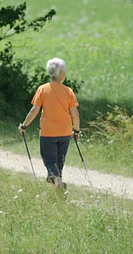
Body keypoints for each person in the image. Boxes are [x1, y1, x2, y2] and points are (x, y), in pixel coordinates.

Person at [18, 58, 81, 188]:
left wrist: (24, 125)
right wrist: (76, 131)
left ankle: (55, 179)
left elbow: (34, 110)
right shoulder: (68, 91)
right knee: (60, 160)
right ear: (62, 74)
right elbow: (75, 114)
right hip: (65, 132)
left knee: (50, 160)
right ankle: (58, 183)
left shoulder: (42, 89)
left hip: (48, 132)